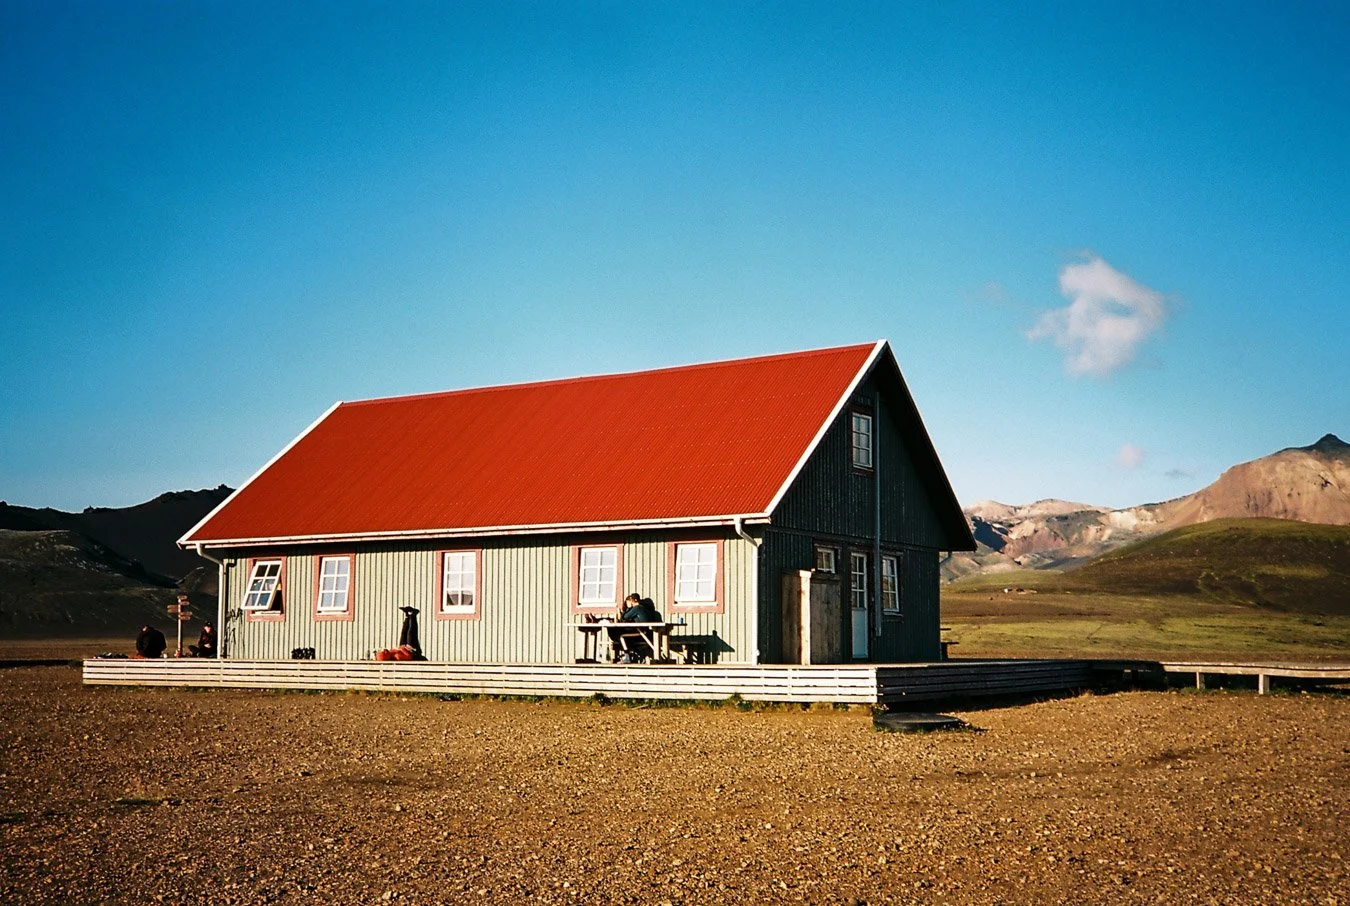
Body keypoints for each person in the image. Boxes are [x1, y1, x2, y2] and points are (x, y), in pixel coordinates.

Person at [611, 593, 662, 663]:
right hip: (648, 633)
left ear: (632, 600)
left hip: (641, 634)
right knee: (623, 635)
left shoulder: (637, 608)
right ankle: (637, 655)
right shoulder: (648, 610)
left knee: (619, 635)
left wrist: (628, 608)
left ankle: (627, 656)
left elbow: (625, 617)